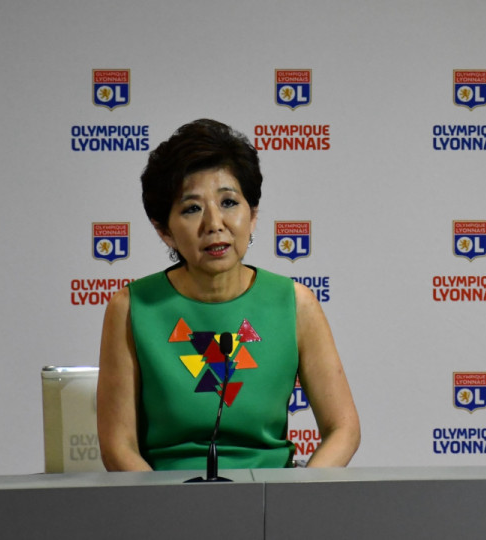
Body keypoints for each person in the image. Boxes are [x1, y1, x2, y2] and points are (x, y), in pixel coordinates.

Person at [97, 119, 360, 471]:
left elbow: (343, 429)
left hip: (270, 495)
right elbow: (118, 446)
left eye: (229, 202)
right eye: (192, 208)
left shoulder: (295, 304)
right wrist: (162, 501)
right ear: (164, 231)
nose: (214, 224)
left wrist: (299, 493)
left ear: (252, 216)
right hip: (165, 496)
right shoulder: (131, 308)